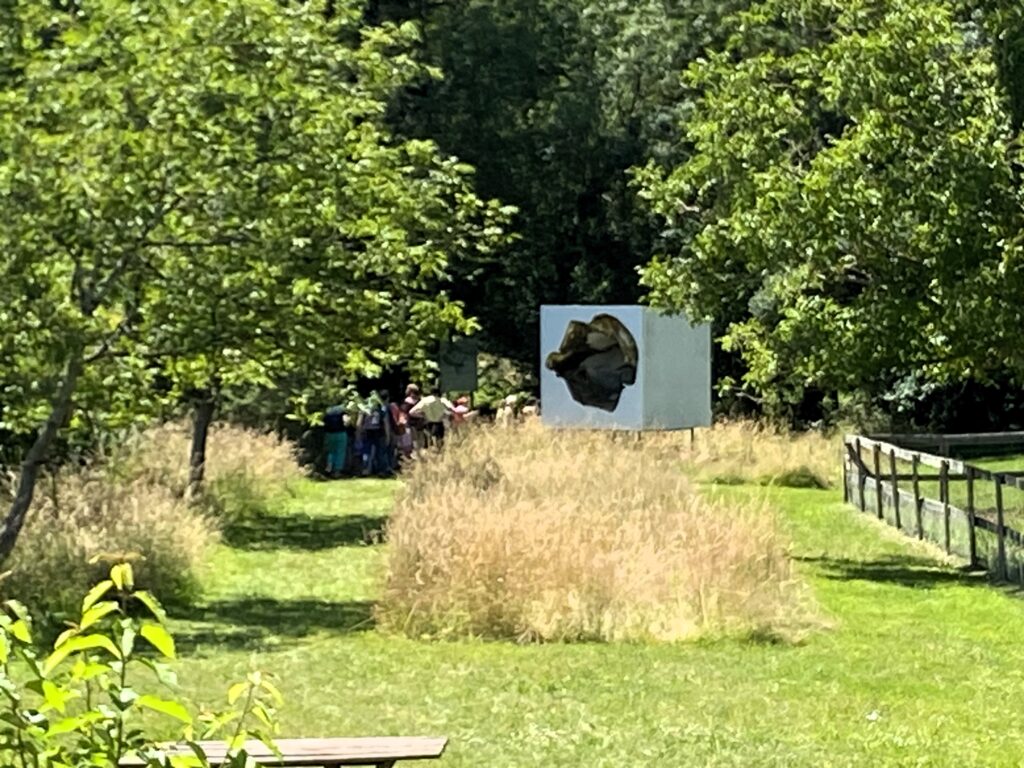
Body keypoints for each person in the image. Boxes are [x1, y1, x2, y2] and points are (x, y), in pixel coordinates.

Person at [358, 390, 394, 476]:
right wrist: (388, 436)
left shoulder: (365, 408)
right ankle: (381, 470)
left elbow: (359, 423)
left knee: (366, 451)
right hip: (379, 431)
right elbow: (386, 423)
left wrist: (358, 433)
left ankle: (365, 469)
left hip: (367, 431)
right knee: (380, 452)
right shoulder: (382, 408)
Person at [323, 404, 347, 478]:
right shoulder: (342, 410)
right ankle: (337, 471)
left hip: (329, 433)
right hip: (340, 433)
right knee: (340, 452)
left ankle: (329, 467)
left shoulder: (327, 410)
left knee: (331, 451)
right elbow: (346, 421)